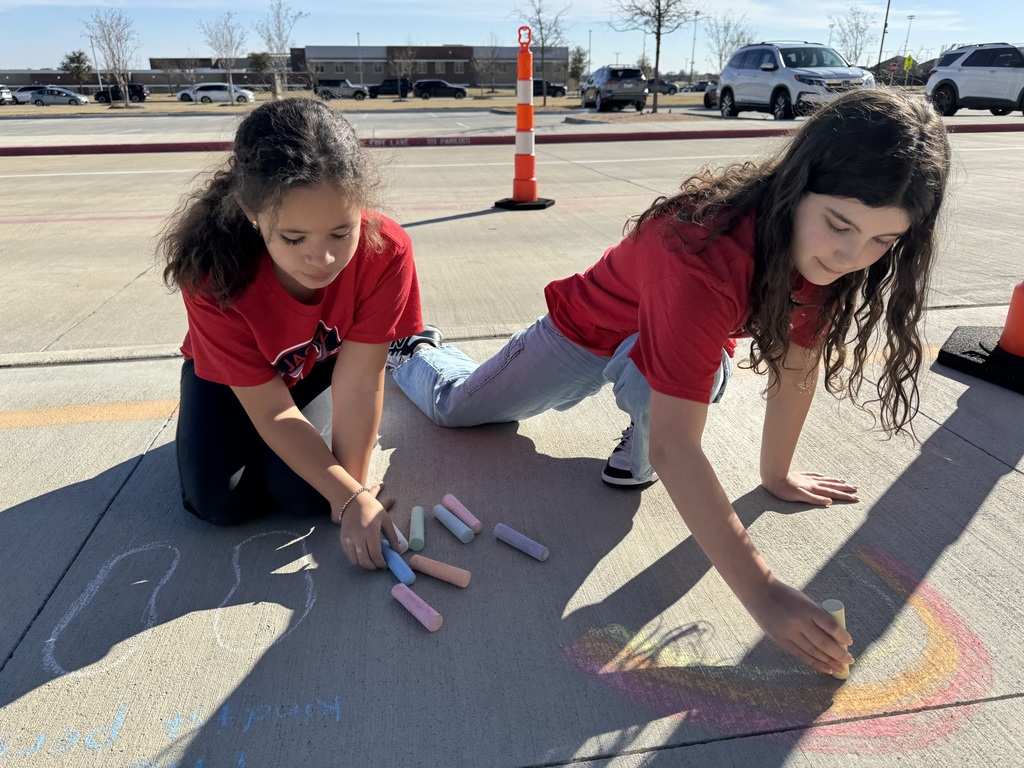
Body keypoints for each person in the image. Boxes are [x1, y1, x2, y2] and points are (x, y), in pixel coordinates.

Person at [385, 89, 951, 675]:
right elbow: (677, 446)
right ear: (795, 183)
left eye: (882, 241)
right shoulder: (701, 253)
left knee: (681, 380)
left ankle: (638, 430)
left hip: (659, 347)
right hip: (582, 331)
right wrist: (761, 591)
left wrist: (775, 475)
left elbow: (797, 364)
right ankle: (415, 350)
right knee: (457, 410)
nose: (849, 254)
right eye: (839, 225)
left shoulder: (826, 259)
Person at [161, 98, 422, 571]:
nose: (321, 260)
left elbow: (361, 382)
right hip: (233, 379)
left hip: (319, 366)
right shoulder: (212, 274)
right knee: (220, 504)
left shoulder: (387, 250)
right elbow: (271, 410)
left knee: (307, 496)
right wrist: (346, 493)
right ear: (250, 211)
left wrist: (352, 495)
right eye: (294, 239)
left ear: (360, 203)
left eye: (341, 233)